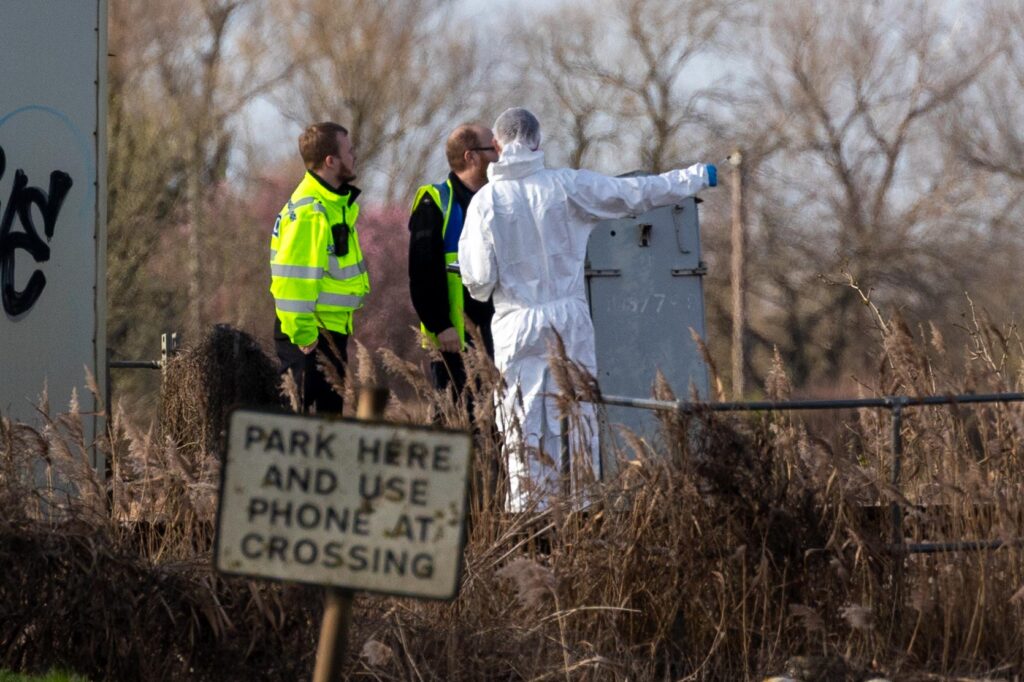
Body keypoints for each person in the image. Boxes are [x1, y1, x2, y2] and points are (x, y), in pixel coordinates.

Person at [458, 107, 717, 511]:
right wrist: (696, 176)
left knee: (522, 426)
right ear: (538, 142)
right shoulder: (566, 186)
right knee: (575, 419)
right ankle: (579, 516)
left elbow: (478, 282)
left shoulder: (485, 204)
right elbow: (636, 194)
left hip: (515, 323)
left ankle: (531, 530)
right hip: (569, 321)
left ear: (496, 146)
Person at [270, 121, 369, 414]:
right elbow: (292, 281)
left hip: (326, 333)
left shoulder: (331, 205)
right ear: (331, 161)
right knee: (302, 434)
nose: (354, 157)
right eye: (348, 152)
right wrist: (304, 335)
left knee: (322, 434)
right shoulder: (311, 211)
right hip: (310, 339)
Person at [408, 124, 497, 401]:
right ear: (471, 157)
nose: (499, 154)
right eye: (492, 148)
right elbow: (421, 272)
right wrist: (440, 326)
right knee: (457, 421)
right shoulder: (435, 201)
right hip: (454, 340)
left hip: (498, 334)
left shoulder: (497, 199)